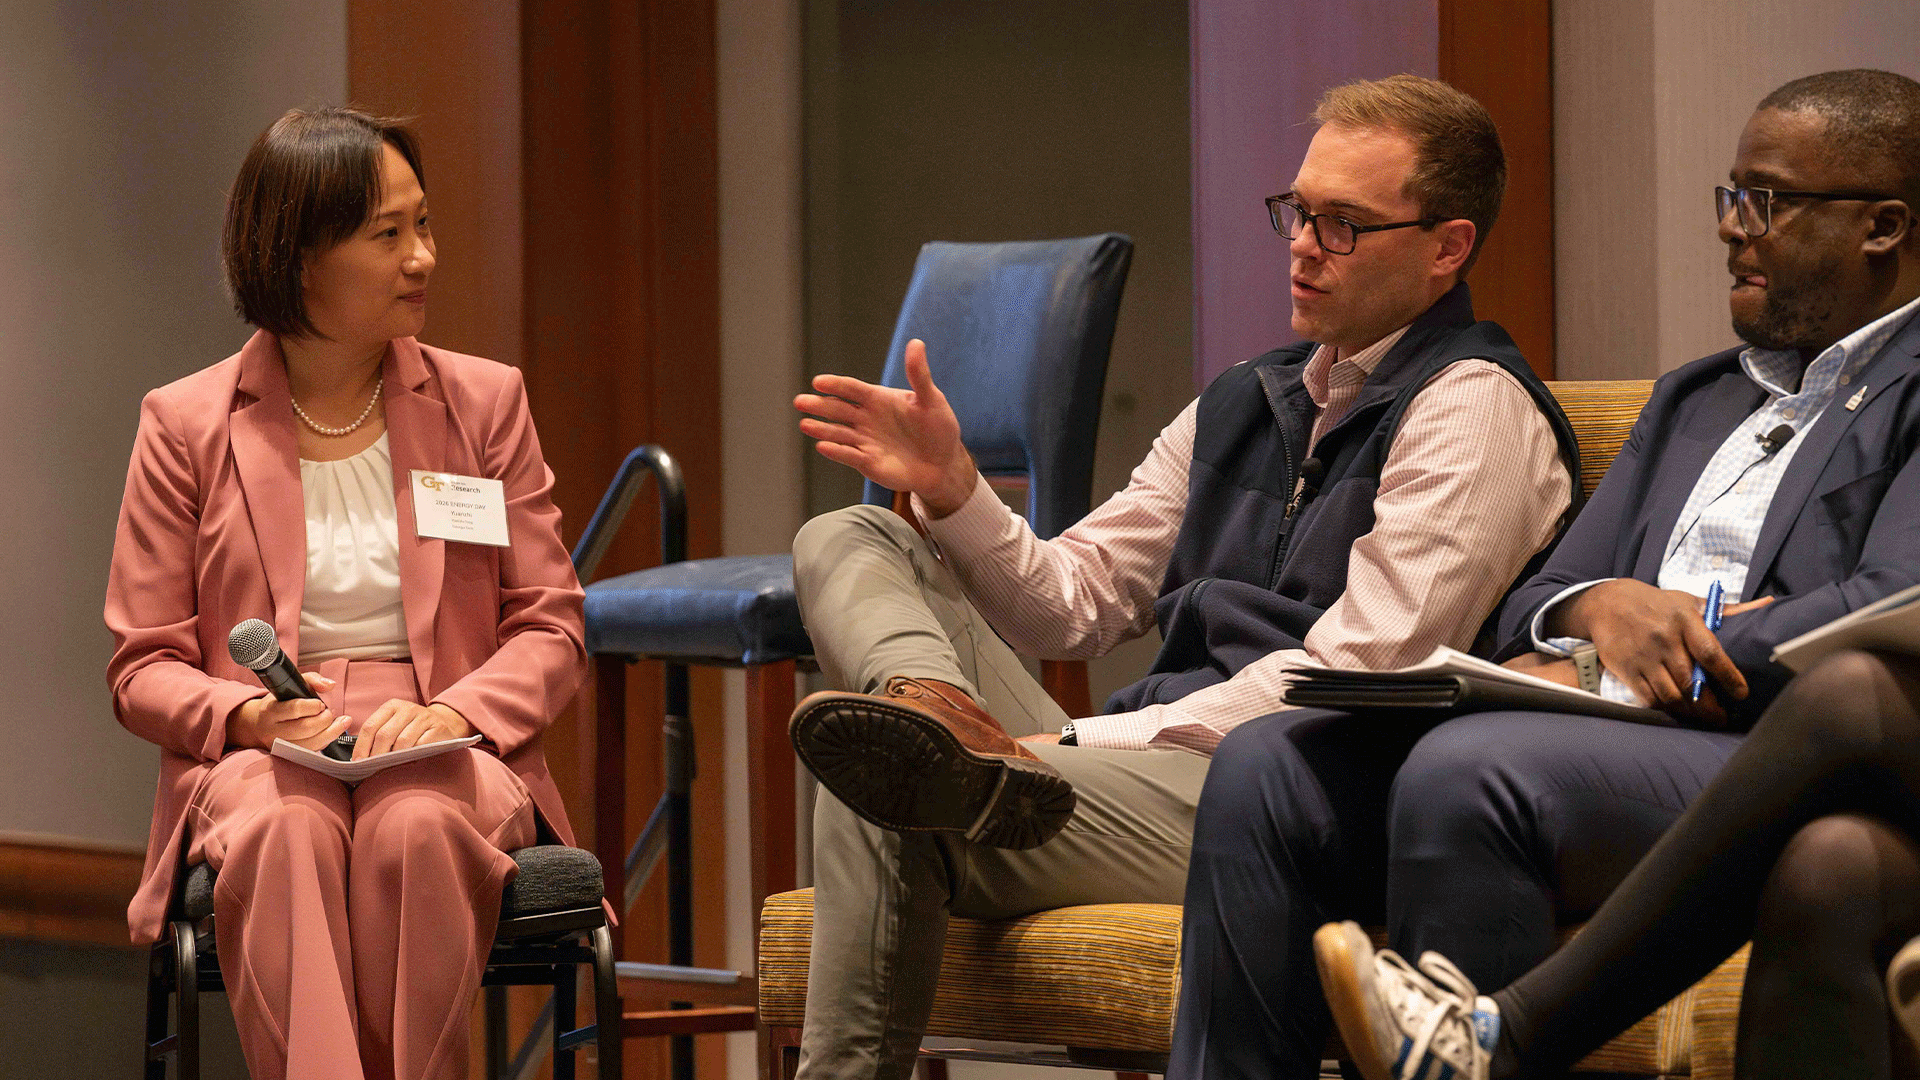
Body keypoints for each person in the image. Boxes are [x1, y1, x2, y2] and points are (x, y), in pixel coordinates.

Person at [782, 75, 1580, 1080]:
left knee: (876, 777)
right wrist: (953, 489)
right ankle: (930, 706)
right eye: (1297, 211)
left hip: (1288, 794)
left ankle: (941, 753)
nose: (1301, 244)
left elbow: (1350, 674)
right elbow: (1072, 604)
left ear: (1446, 247)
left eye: (1343, 224)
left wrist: (1064, 740)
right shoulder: (1250, 397)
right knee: (853, 540)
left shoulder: (1475, 409)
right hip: (1153, 767)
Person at [1177, 67, 1920, 1080]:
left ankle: (1466, 1048)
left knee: (1469, 770)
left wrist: (1669, 650)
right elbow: (1537, 600)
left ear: (1882, 226)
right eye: (1730, 197)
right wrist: (1600, 602)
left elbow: (1888, 602)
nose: (1731, 228)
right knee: (1271, 764)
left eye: (1765, 200)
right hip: (1595, 725)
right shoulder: (1693, 399)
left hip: (1748, 741)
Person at [105, 107, 585, 1080]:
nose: (424, 258)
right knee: (284, 830)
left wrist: (452, 707)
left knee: (417, 823)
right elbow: (142, 666)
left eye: (426, 225)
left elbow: (550, 624)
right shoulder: (184, 424)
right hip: (270, 742)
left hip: (446, 733)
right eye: (389, 234)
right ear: (300, 255)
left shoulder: (483, 403)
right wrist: (249, 717)